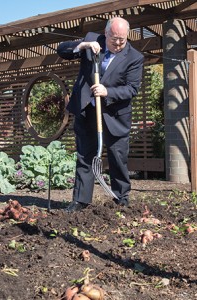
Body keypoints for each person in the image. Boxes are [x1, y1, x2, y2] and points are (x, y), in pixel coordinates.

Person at [57, 17, 144, 212]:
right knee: (85, 156)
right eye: (114, 39)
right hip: (88, 110)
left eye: (123, 39)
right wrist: (83, 45)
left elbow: (132, 89)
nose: (119, 43)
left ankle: (121, 198)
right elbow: (62, 50)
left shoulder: (134, 57)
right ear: (106, 33)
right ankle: (80, 200)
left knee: (117, 156)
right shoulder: (91, 40)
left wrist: (108, 92)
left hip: (115, 115)